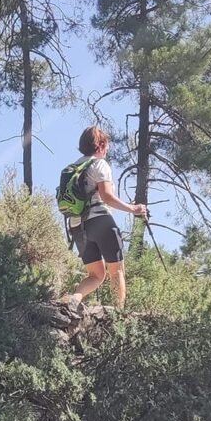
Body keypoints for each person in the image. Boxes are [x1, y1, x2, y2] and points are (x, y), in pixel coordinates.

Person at [59, 125, 147, 311]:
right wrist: (133, 209)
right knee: (117, 271)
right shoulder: (99, 164)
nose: (107, 150)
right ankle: (119, 314)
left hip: (77, 226)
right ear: (100, 146)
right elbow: (106, 196)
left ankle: (74, 298)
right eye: (106, 146)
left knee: (96, 275)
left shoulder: (71, 168)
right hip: (100, 222)